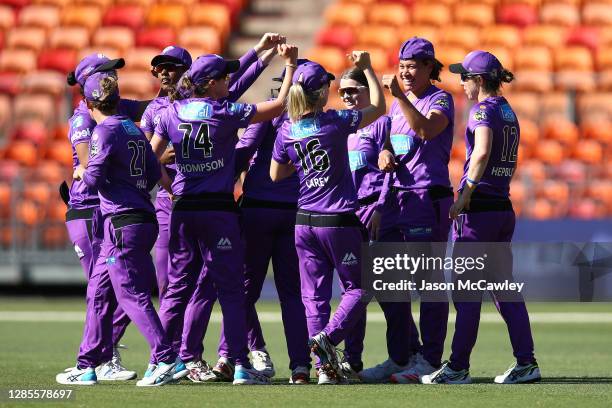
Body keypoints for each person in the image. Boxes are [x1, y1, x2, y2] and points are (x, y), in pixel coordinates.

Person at [150, 45, 299, 385]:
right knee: (230, 290)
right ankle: (241, 365)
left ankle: (162, 361)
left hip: (183, 207)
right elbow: (277, 105)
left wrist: (168, 184)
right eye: (225, 78)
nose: (229, 81)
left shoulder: (170, 113)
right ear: (211, 83)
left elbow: (150, 157)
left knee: (176, 290)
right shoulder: (225, 112)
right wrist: (289, 67)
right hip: (218, 210)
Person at [422, 51, 540, 384]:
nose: (461, 83)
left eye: (465, 77)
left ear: (479, 80)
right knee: (504, 290)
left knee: (466, 292)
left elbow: (483, 151)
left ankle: (458, 366)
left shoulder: (483, 110)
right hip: (502, 207)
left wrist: (465, 194)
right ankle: (526, 362)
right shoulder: (508, 111)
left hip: (480, 212)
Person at [57, 72, 181, 386]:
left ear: (87, 102)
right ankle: (88, 364)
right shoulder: (133, 129)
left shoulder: (103, 132)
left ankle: (166, 357)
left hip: (122, 222)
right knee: (98, 293)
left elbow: (94, 178)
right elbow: (155, 172)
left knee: (130, 294)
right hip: (136, 217)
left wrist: (80, 171)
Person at [270, 53, 386, 384]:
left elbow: (276, 174)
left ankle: (323, 371)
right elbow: (378, 107)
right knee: (361, 288)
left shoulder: (288, 130)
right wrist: (367, 68)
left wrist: (306, 162)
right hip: (337, 220)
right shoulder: (334, 122)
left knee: (315, 298)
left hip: (303, 222)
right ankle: (328, 341)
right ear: (321, 93)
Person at [212, 60, 313, 385]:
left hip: (258, 211)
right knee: (292, 296)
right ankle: (300, 367)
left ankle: (229, 357)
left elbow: (242, 154)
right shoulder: (318, 120)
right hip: (295, 213)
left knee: (244, 290)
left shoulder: (271, 116)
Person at [362, 37, 454, 383]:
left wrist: (399, 97)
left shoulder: (439, 99)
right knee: (387, 280)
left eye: (413, 66)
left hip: (426, 197)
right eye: (402, 66)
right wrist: (383, 151)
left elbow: (425, 129)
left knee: (427, 281)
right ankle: (402, 355)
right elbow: (391, 139)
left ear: (430, 66)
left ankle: (429, 359)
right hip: (395, 198)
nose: (405, 72)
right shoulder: (400, 103)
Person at [63, 53, 151, 381]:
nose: (115, 74)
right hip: (89, 211)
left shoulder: (112, 106)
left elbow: (147, 107)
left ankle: (100, 356)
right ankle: (101, 358)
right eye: (108, 70)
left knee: (119, 286)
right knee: (107, 289)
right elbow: (89, 169)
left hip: (108, 211)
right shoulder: (83, 120)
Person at [334, 67, 393, 377]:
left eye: (353, 90)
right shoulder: (339, 127)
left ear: (367, 92)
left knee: (374, 289)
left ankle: (405, 349)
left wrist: (381, 207)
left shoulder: (380, 123)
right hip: (344, 215)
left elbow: (389, 168)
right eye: (343, 91)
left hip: (371, 212)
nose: (347, 96)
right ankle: (351, 358)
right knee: (353, 290)